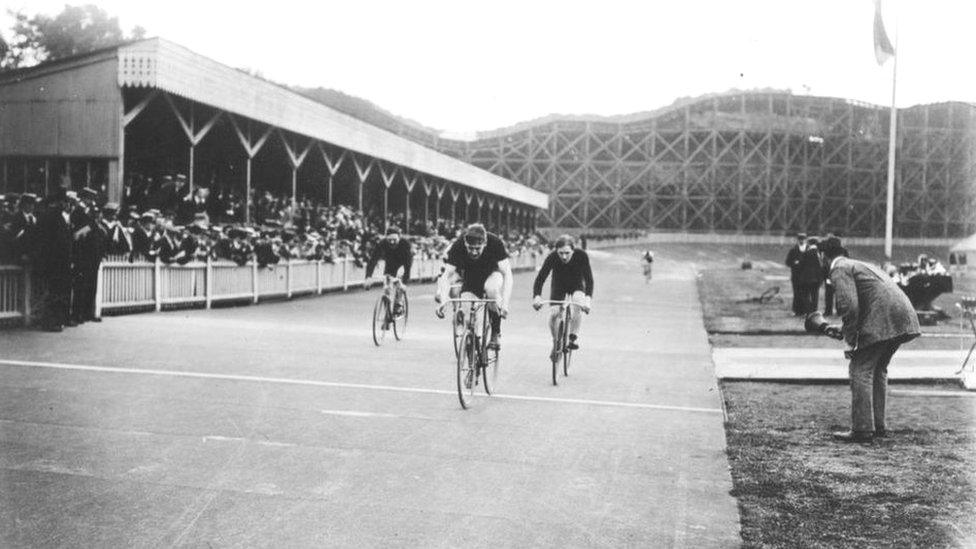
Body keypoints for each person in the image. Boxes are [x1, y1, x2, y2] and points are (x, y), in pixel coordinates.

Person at [820, 236, 921, 443]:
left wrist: (850, 340)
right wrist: (847, 330)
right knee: (878, 370)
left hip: (884, 320)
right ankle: (878, 426)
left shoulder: (839, 268)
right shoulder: (859, 264)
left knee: (860, 369)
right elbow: (867, 302)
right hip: (903, 317)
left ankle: (862, 430)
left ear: (823, 255)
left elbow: (850, 307)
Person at [435, 223, 513, 350]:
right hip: (471, 278)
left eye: (478, 248)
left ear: (485, 243)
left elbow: (508, 274)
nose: (474, 252)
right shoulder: (458, 245)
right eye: (470, 248)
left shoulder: (495, 243)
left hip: (492, 273)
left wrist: (505, 304)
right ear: (465, 243)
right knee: (467, 314)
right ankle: (473, 341)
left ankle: (495, 332)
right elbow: (446, 275)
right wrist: (443, 301)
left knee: (491, 290)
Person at [532, 234, 593, 351]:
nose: (564, 257)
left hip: (577, 285)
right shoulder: (552, 257)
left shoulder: (581, 255)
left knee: (578, 302)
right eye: (561, 253)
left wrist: (588, 300)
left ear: (573, 251)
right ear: (556, 251)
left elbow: (589, 280)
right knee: (554, 313)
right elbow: (540, 278)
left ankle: (572, 337)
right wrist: (537, 296)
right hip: (559, 285)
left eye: (567, 253)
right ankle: (556, 340)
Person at [34, 191, 75, 331]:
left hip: (56, 261)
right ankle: (52, 322)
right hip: (56, 262)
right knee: (55, 293)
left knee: (56, 292)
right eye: (64, 201)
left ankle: (56, 320)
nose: (66, 204)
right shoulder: (54, 217)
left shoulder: (54, 217)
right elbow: (55, 242)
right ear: (58, 202)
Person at [365, 226, 413, 315]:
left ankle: (399, 303)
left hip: (403, 264)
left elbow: (408, 265)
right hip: (391, 264)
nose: (392, 242)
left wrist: (404, 283)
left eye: (394, 239)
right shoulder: (382, 243)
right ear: (386, 238)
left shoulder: (405, 244)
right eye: (389, 239)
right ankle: (387, 314)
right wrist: (368, 277)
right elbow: (373, 260)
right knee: (387, 287)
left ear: (399, 237)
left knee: (399, 284)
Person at [796, 236, 824, 314]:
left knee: (806, 295)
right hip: (817, 278)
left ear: (809, 243)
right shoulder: (819, 253)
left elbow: (801, 265)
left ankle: (808, 311)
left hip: (807, 278)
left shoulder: (806, 253)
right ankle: (814, 311)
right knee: (815, 295)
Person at [785, 233, 807, 315]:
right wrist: (794, 263)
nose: (801, 240)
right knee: (797, 293)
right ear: (798, 240)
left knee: (805, 293)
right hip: (796, 276)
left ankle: (804, 310)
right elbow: (787, 262)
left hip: (805, 276)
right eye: (800, 239)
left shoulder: (808, 249)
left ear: (805, 240)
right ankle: (797, 311)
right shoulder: (793, 250)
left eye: (803, 239)